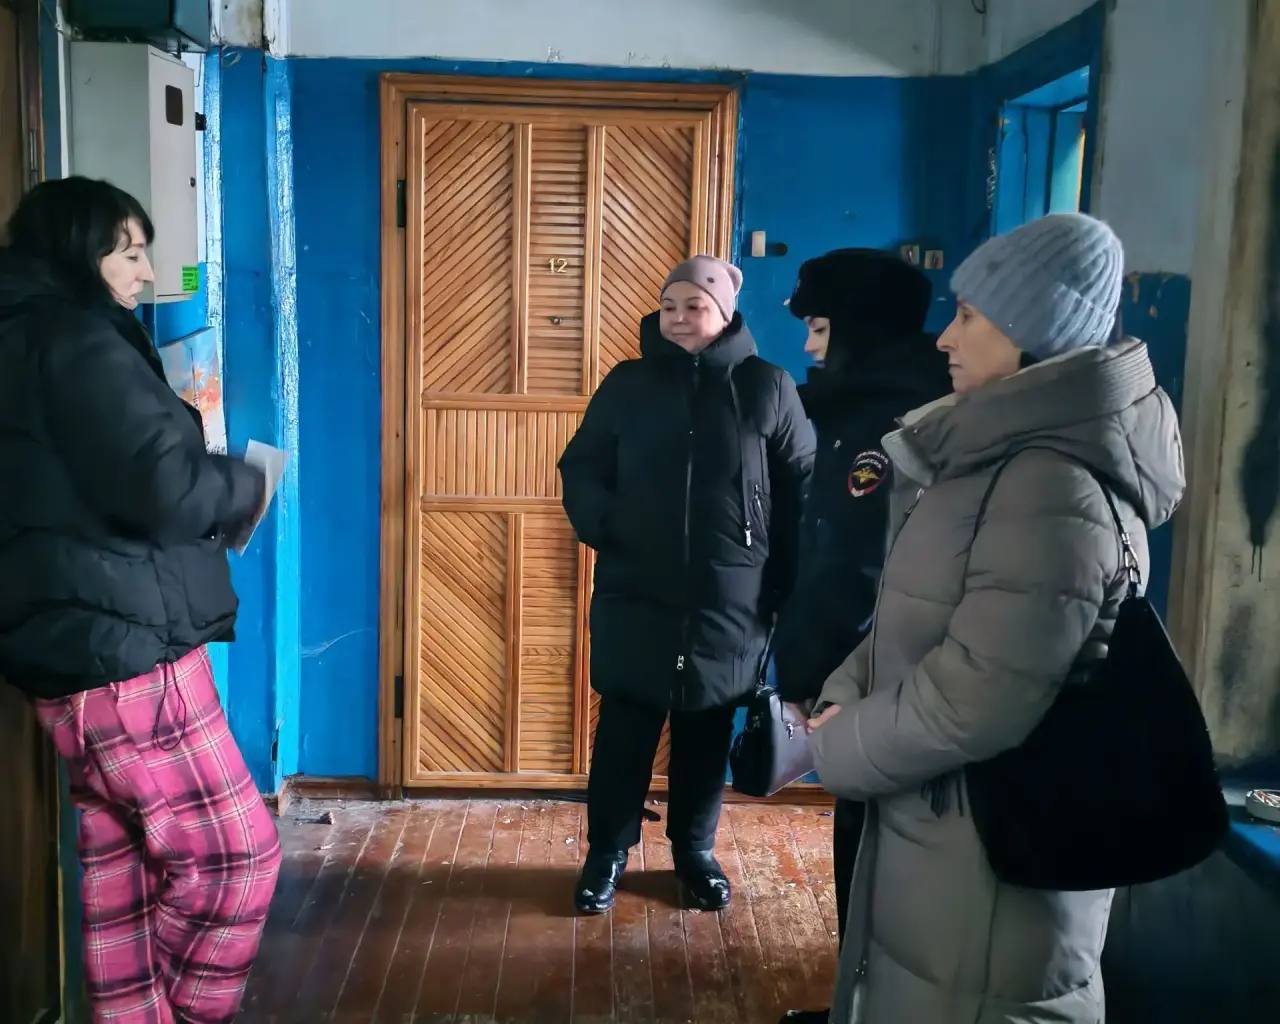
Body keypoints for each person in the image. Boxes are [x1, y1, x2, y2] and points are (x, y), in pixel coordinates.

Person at [808, 214, 1184, 1023]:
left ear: (1035, 330)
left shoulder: (1052, 487)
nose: (946, 337)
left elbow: (976, 699)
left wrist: (834, 746)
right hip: (940, 831)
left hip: (988, 856)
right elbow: (916, 616)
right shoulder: (991, 457)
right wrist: (848, 685)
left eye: (970, 316)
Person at [0, 177, 280, 1024]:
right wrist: (246, 484)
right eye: (127, 251)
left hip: (63, 649)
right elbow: (167, 487)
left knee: (119, 876)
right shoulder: (75, 339)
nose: (147, 270)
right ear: (76, 252)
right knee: (239, 858)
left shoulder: (18, 333)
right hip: (127, 651)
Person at [559, 255, 815, 914]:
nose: (677, 318)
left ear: (724, 312)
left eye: (694, 306)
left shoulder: (767, 386)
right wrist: (608, 525)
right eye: (669, 305)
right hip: (636, 589)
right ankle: (606, 854)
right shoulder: (628, 384)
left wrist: (783, 583)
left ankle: (694, 853)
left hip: (732, 597)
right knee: (625, 731)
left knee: (706, 732)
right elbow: (582, 465)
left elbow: (801, 486)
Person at [772, 249, 951, 1024]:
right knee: (860, 840)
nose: (808, 345)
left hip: (879, 667)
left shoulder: (899, 419)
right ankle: (859, 1000)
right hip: (857, 663)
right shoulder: (853, 404)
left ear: (861, 328)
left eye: (820, 328)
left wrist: (811, 668)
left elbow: (856, 562)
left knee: (884, 852)